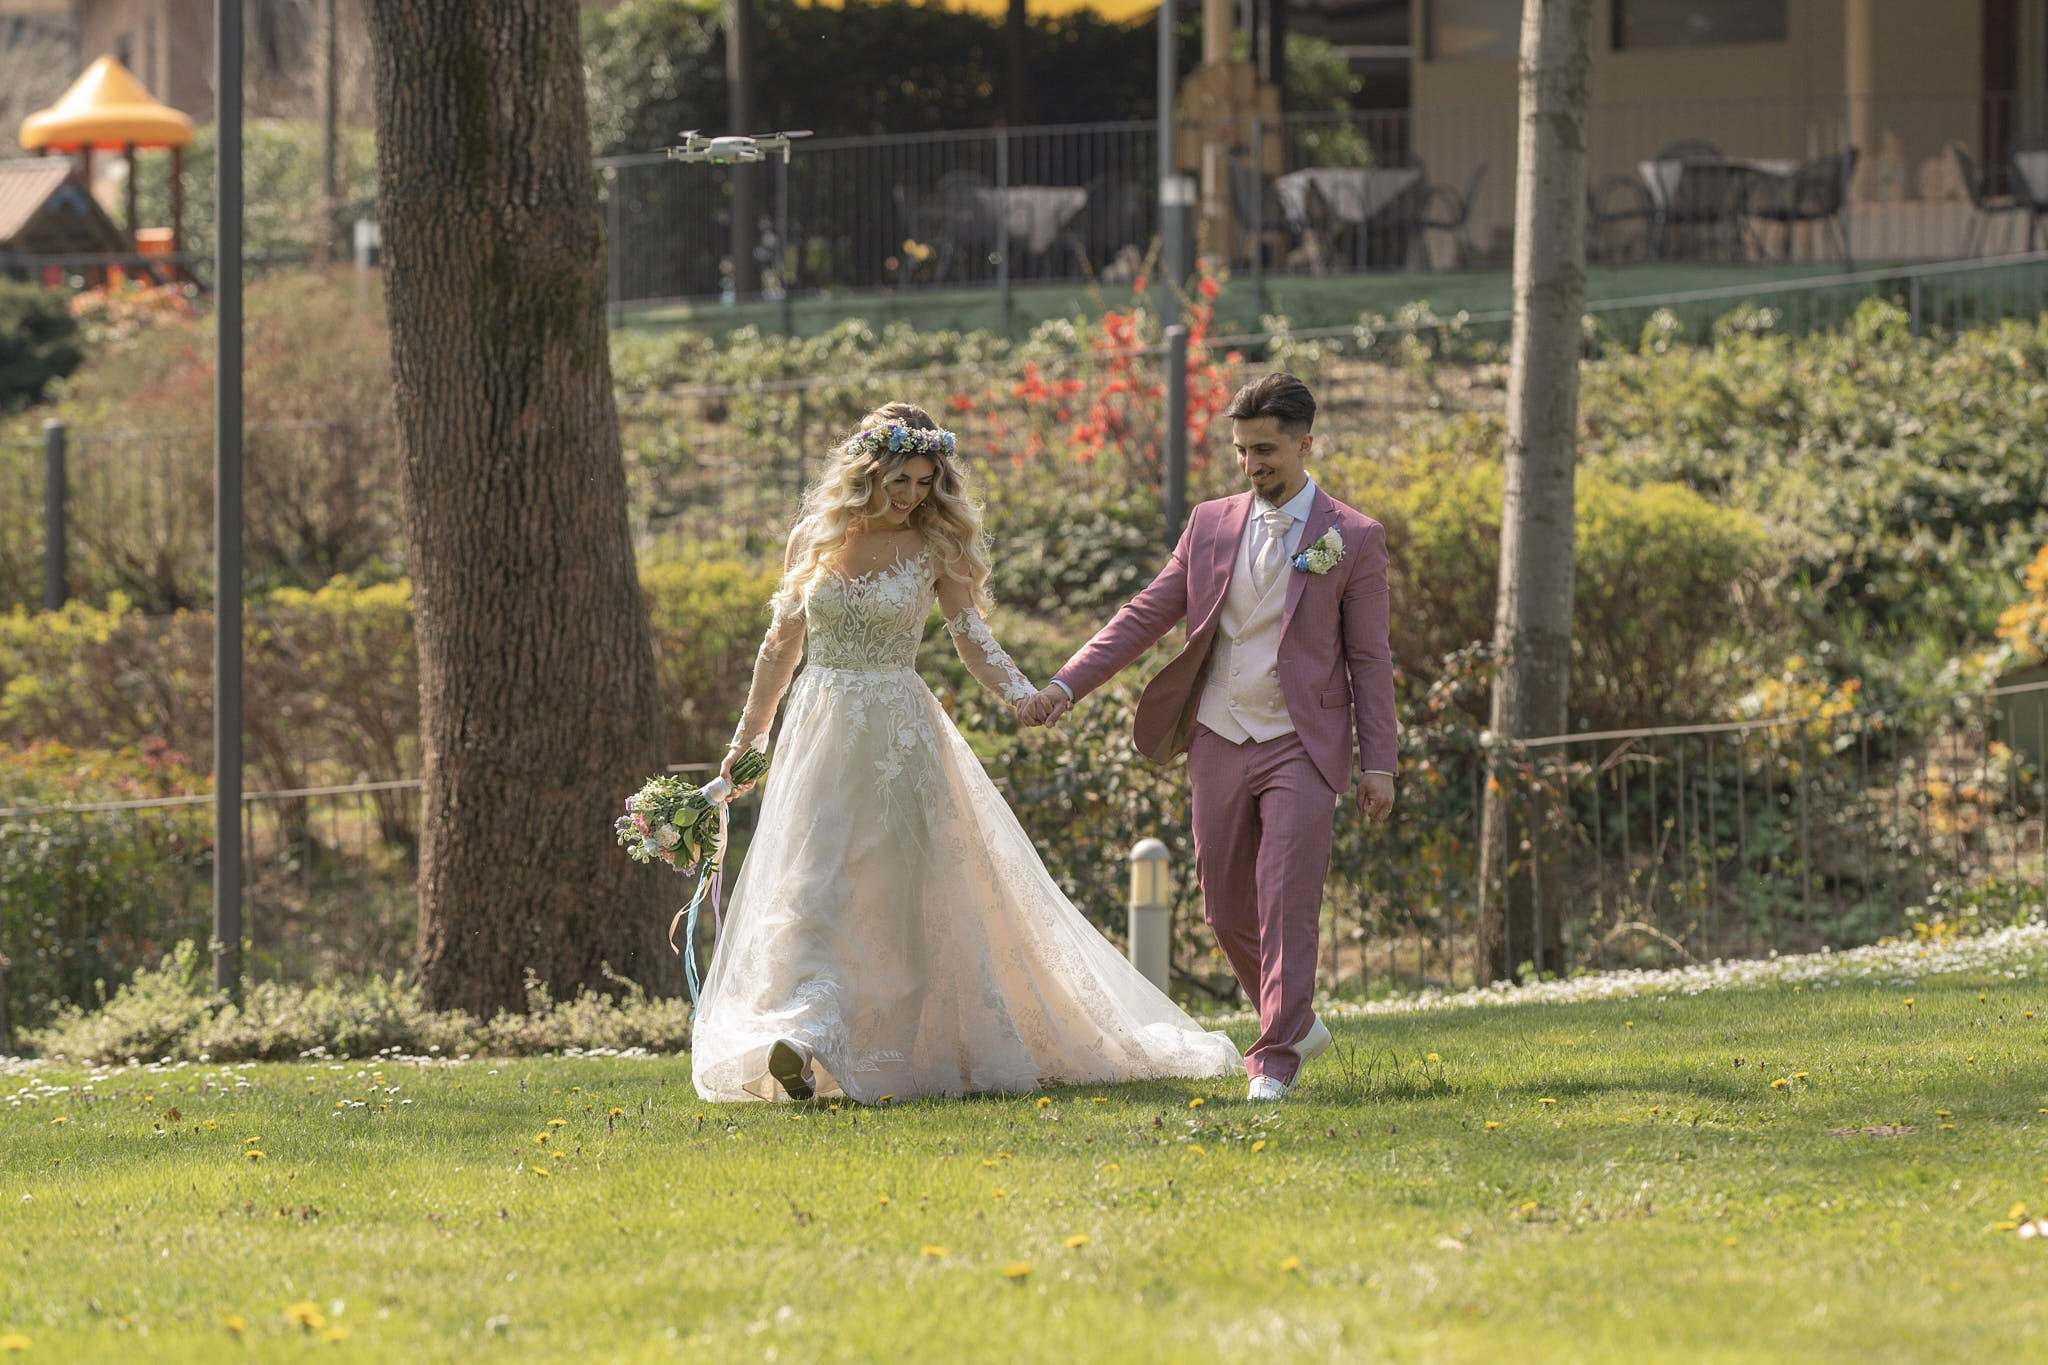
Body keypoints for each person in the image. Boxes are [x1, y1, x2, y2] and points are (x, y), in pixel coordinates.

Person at [690, 402, 1243, 1104]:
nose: (913, 495)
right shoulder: (812, 539)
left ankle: (866, 1043)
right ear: (868, 471)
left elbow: (969, 637)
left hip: (896, 734)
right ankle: (803, 1034)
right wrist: (747, 746)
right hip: (818, 731)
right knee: (813, 882)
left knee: (891, 892)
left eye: (925, 482)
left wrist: (1021, 692)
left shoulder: (934, 546)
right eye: (900, 481)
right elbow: (780, 648)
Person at [1017, 373, 1396, 1102]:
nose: (1253, 464)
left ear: (1304, 443)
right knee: (1224, 906)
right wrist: (1065, 685)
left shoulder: (1353, 538)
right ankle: (1293, 1016)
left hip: (1302, 741)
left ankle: (1274, 1058)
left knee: (1286, 899)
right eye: (1241, 451)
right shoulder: (1211, 523)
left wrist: (1379, 761)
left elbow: (1370, 659)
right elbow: (1143, 615)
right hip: (1220, 732)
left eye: (1266, 449)